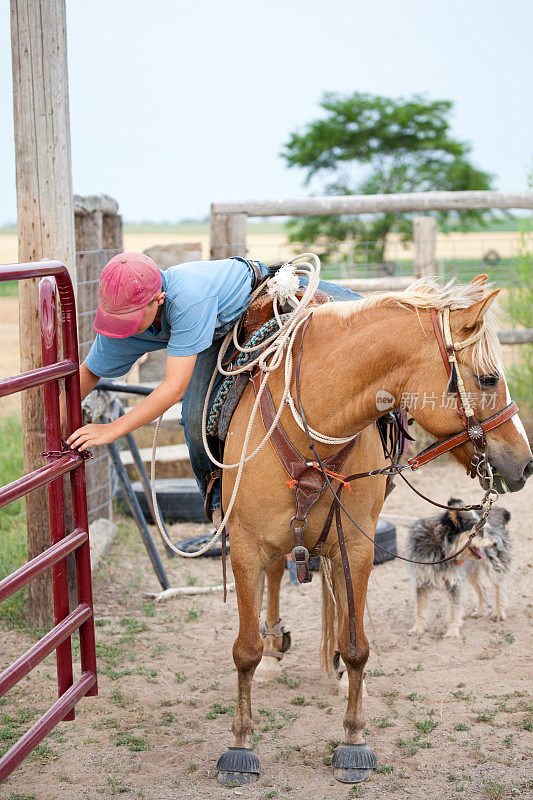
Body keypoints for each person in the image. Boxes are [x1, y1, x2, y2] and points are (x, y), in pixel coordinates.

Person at [65, 252, 359, 525]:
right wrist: (55, 423)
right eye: (115, 320)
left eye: (128, 320)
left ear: (159, 300)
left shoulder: (188, 299)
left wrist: (112, 429)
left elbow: (174, 388)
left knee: (362, 312)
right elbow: (89, 373)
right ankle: (219, 500)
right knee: (195, 419)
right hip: (209, 332)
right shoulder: (122, 323)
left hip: (239, 302)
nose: (121, 329)